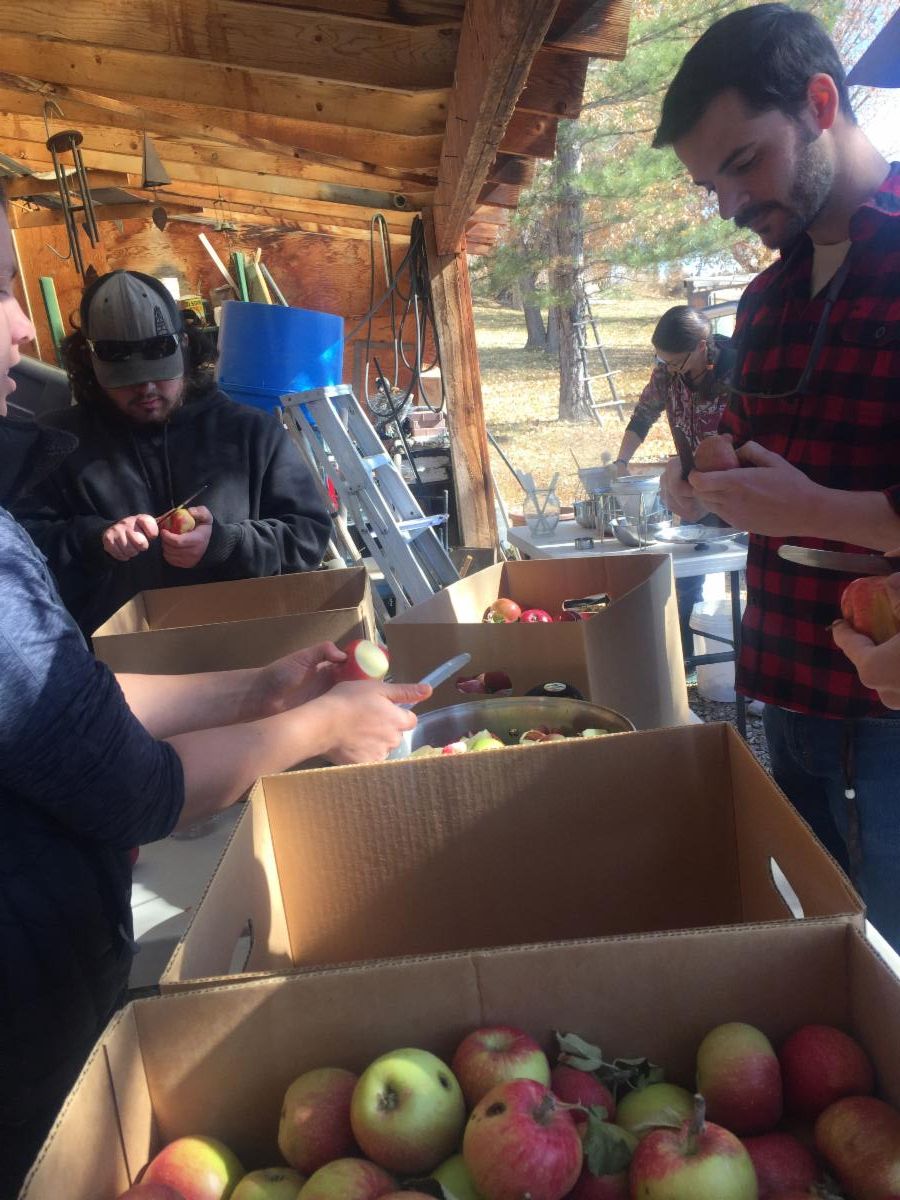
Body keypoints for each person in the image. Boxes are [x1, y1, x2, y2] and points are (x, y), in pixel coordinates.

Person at [0, 207, 429, 1194]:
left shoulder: (243, 430)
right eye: (3, 294)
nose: (22, 327)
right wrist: (319, 722)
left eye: (160, 374)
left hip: (183, 764)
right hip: (46, 941)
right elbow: (126, 780)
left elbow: (60, 691)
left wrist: (259, 679)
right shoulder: (60, 450)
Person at [654, 4, 900, 947]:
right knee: (821, 954)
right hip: (781, 681)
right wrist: (704, 479)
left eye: (744, 163)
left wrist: (819, 510)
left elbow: (806, 498)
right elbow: (748, 443)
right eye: (709, 184)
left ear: (821, 104)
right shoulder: (764, 299)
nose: (728, 204)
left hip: (885, 704)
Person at [14, 269, 332, 637]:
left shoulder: (250, 433)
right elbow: (19, 551)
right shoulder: (56, 443)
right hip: (118, 656)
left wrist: (226, 544)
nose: (147, 389)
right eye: (127, 380)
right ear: (90, 364)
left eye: (160, 374)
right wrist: (94, 541)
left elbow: (308, 537)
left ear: (184, 347)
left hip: (244, 647)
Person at [614, 305, 734, 662]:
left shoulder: (737, 372)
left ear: (701, 347)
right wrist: (621, 462)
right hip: (691, 487)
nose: (668, 368)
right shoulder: (667, 373)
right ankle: (686, 662)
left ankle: (739, 661)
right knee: (686, 579)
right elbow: (644, 414)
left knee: (742, 569)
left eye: (675, 362)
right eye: (662, 360)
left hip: (737, 485)